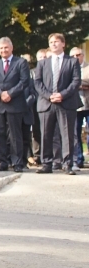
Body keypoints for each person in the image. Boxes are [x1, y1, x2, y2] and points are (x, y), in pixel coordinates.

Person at [34, 33, 81, 175]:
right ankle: (47, 163)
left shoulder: (72, 62)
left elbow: (76, 81)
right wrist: (49, 96)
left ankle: (67, 164)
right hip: (47, 103)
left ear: (63, 44)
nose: (54, 44)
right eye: (51, 42)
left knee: (67, 135)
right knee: (46, 134)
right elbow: (37, 82)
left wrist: (62, 95)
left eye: (56, 42)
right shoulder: (42, 63)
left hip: (66, 102)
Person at [0, 37, 31, 172]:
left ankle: (17, 162)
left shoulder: (21, 63)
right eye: (1, 48)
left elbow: (24, 81)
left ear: (11, 48)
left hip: (15, 103)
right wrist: (0, 93)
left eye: (6, 47)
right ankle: (2, 162)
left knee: (15, 135)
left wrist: (10, 93)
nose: (3, 50)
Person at [69, 47, 88, 168]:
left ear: (83, 55)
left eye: (78, 55)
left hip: (88, 105)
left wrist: (78, 83)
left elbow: (75, 83)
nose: (76, 57)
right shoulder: (69, 68)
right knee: (75, 133)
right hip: (75, 106)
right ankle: (79, 159)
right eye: (73, 56)